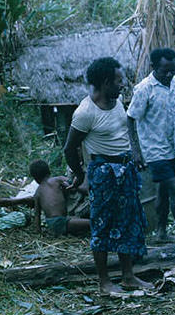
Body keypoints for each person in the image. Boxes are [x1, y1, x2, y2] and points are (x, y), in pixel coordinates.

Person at [64, 57, 152, 295]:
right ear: (104, 83)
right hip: (103, 174)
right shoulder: (85, 113)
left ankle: (128, 276)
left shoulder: (117, 102)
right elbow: (69, 148)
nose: (122, 85)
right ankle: (104, 282)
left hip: (125, 171)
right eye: (118, 80)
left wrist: (135, 155)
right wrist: (81, 175)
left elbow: (125, 132)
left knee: (127, 223)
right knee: (101, 226)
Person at [127, 47, 175, 242]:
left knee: (163, 192)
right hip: (155, 150)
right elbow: (130, 119)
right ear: (153, 67)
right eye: (165, 71)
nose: (169, 74)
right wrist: (136, 151)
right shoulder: (144, 89)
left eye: (172, 70)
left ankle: (161, 232)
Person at [30, 159, 90, 237]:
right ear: (49, 171)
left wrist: (38, 232)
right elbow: (73, 184)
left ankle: (65, 231)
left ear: (35, 178)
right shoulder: (58, 180)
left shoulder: (37, 192)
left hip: (53, 223)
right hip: (60, 222)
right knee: (92, 223)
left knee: (78, 222)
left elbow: (37, 214)